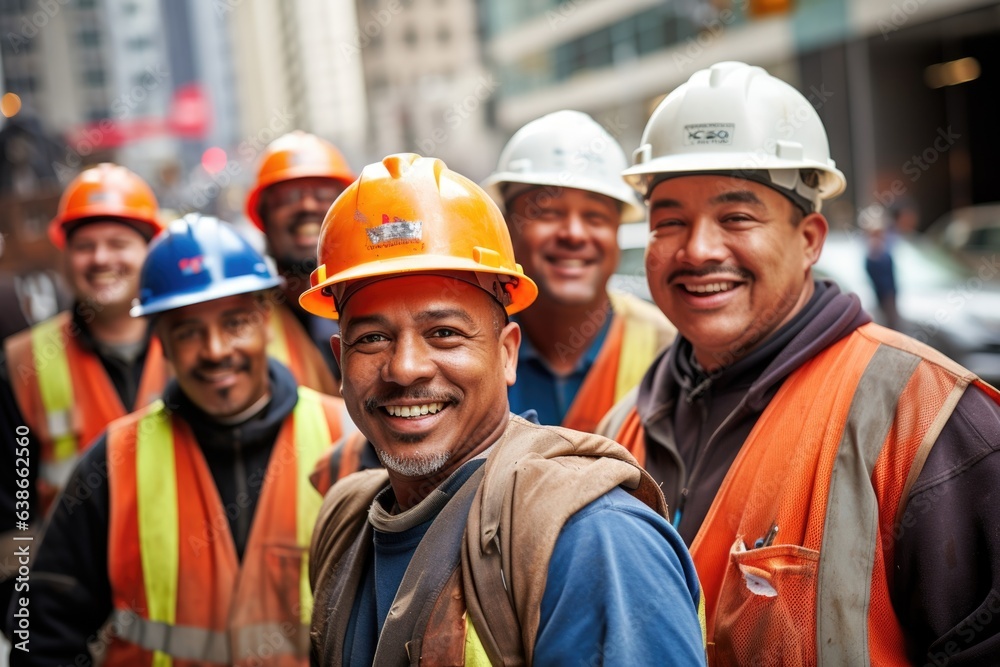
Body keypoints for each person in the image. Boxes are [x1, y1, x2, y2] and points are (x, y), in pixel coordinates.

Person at [597, 61, 1000, 664]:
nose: (699, 249)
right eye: (670, 221)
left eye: (737, 217)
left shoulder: (928, 419)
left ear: (809, 239)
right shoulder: (619, 432)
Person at [302, 153, 705, 665]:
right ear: (340, 361)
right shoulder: (345, 525)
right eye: (373, 338)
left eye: (444, 333)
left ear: (507, 351)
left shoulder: (591, 538)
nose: (404, 368)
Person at [6, 215, 355, 666]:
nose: (215, 350)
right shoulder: (116, 460)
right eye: (189, 332)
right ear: (162, 343)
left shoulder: (345, 439)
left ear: (265, 320)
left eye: (234, 323)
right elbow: (43, 628)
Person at [480, 110, 675, 432]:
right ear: (507, 227)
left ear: (616, 230)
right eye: (548, 213)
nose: (573, 233)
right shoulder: (469, 347)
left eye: (594, 216)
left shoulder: (668, 349)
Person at [1, 163, 169, 518]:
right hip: (70, 569)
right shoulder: (21, 362)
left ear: (149, 252)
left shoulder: (190, 345)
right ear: (66, 257)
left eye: (118, 244)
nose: (101, 259)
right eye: (85, 246)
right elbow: (13, 507)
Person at [245, 130, 356, 396]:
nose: (307, 205)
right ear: (264, 220)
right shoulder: (245, 323)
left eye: (323, 195)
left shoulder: (383, 299)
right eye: (288, 198)